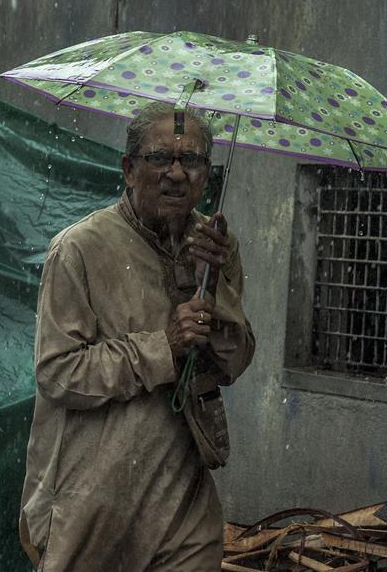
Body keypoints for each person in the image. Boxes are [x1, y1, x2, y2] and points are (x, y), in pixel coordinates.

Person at [18, 101, 255, 571]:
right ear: (128, 169)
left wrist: (217, 283)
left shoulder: (214, 246)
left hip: (182, 499)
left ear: (206, 176)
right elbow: (58, 373)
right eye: (159, 158)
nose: (175, 173)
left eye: (191, 161)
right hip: (93, 496)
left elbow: (232, 363)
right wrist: (162, 346)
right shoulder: (79, 249)